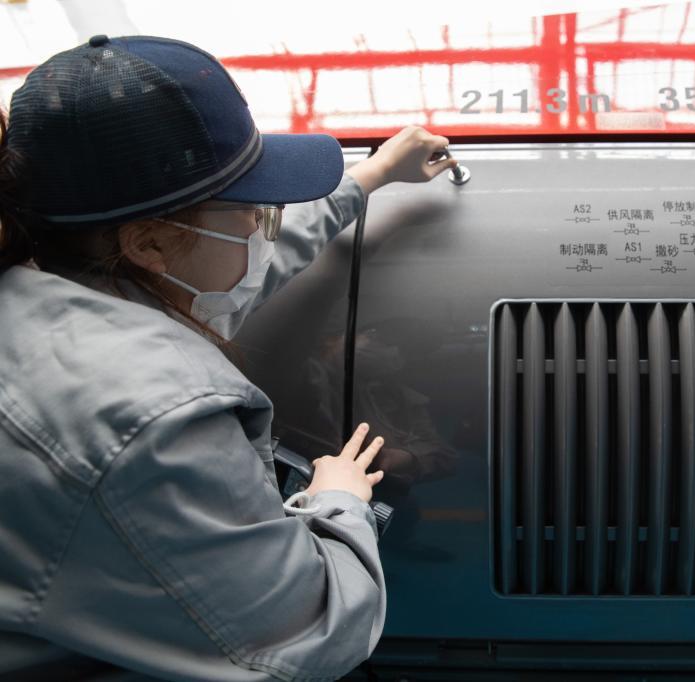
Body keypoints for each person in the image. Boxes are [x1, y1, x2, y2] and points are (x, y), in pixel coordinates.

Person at [0, 34, 458, 681]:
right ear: (149, 243)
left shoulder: (54, 282)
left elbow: (247, 261)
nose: (265, 228)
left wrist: (372, 176)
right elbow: (311, 636)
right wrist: (338, 500)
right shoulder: (156, 414)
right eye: (255, 213)